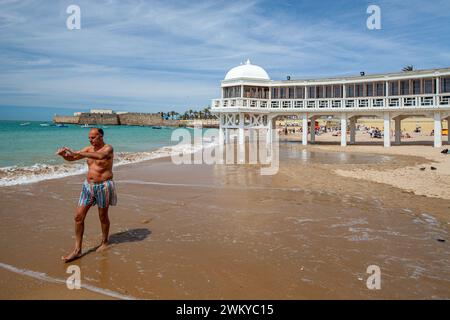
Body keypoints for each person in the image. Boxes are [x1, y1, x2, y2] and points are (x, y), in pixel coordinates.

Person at [56, 128, 117, 262]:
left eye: (93, 137)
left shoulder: (108, 149)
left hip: (103, 186)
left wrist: (79, 152)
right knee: (78, 217)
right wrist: (63, 155)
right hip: (87, 187)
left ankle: (105, 241)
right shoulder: (88, 149)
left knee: (102, 216)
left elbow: (100, 156)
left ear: (100, 136)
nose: (91, 140)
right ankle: (77, 250)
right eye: (89, 138)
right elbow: (72, 158)